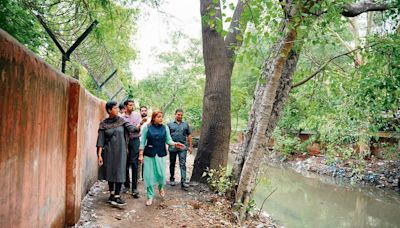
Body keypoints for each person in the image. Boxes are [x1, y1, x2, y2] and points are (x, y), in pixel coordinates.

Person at [96, 101, 139, 206]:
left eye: (117, 108)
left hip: (121, 151)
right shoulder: (103, 124)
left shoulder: (122, 121)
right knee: (110, 171)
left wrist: (140, 125)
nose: (117, 110)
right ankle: (111, 194)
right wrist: (99, 155)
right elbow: (100, 140)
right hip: (108, 152)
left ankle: (117, 196)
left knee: (120, 171)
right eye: (115, 108)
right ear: (109, 110)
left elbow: (132, 129)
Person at [139, 111, 184, 206]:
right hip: (149, 154)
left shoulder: (165, 128)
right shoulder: (147, 127)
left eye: (161, 117)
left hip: (161, 154)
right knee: (149, 176)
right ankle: (150, 196)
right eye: (159, 117)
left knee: (161, 174)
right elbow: (142, 141)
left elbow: (168, 140)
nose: (161, 119)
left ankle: (160, 187)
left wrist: (175, 143)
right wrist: (141, 154)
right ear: (154, 118)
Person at [121, 99, 146, 198]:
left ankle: (134, 188)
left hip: (135, 140)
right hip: (125, 141)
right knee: (125, 163)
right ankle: (126, 185)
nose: (132, 107)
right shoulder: (121, 117)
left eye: (133, 105)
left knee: (134, 163)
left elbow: (138, 129)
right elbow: (127, 129)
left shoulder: (137, 115)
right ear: (126, 106)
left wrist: (137, 126)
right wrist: (136, 126)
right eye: (130, 105)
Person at [167, 109, 193, 190]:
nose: (180, 116)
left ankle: (183, 181)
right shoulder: (169, 124)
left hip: (183, 147)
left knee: (182, 163)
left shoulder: (185, 124)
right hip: (173, 147)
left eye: (181, 115)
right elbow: (166, 136)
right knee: (172, 163)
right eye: (178, 114)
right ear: (175, 114)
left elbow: (189, 135)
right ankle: (172, 178)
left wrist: (190, 147)